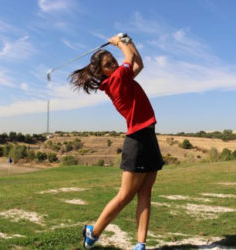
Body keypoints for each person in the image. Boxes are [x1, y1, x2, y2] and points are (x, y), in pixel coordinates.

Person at [69, 33, 164, 250]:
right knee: (125, 195)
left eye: (113, 61)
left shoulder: (124, 78)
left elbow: (138, 62)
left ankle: (140, 245)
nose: (114, 64)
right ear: (102, 72)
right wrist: (120, 43)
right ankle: (93, 233)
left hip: (149, 136)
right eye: (109, 64)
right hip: (137, 140)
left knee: (145, 193)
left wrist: (128, 42)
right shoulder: (116, 81)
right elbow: (129, 58)